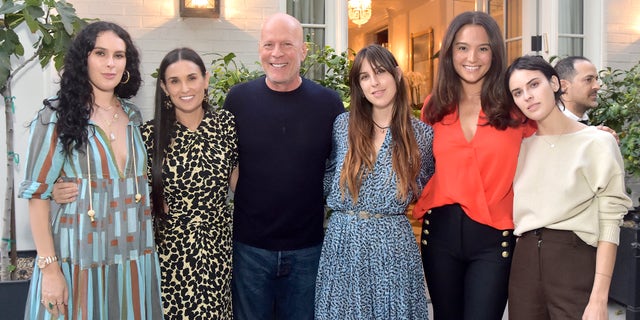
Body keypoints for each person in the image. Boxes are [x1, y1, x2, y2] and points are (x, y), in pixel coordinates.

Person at [18, 21, 163, 319]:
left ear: (127, 65)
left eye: (119, 55)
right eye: (100, 53)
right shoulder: (54, 117)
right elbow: (37, 197)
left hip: (132, 258)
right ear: (83, 58)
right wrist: (50, 271)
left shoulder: (134, 116)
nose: (110, 63)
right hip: (77, 260)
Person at [412, 11, 536, 320]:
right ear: (450, 52)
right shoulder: (434, 105)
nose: (472, 57)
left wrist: (587, 134)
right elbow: (420, 163)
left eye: (483, 48)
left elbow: (553, 140)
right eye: (462, 47)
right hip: (439, 234)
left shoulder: (515, 106)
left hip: (494, 239)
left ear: (495, 53)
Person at [223, 12, 344, 320]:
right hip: (250, 249)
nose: (276, 53)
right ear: (260, 50)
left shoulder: (329, 104)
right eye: (268, 45)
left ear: (303, 50)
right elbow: (224, 163)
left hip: (308, 250)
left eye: (286, 44)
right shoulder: (238, 100)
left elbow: (341, 166)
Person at [505, 55, 632, 320]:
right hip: (524, 262)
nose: (527, 96)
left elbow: (610, 221)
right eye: (518, 92)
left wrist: (599, 298)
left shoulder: (597, 143)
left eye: (533, 85)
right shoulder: (519, 147)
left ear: (554, 83)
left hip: (574, 260)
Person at [314, 44, 434, 319]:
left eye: (380, 72)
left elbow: (428, 190)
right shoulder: (342, 126)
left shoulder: (422, 136)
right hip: (344, 245)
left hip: (394, 250)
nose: (374, 83)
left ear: (397, 75)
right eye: (364, 77)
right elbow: (325, 177)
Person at [141, 48, 238, 319]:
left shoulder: (226, 125)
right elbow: (128, 187)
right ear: (164, 87)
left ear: (206, 80)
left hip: (219, 248)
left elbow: (241, 182)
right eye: (174, 81)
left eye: (192, 78)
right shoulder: (149, 134)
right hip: (171, 252)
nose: (185, 88)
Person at [554, 56, 601, 124]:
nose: (597, 86)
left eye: (596, 79)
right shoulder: (552, 128)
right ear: (563, 86)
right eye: (588, 80)